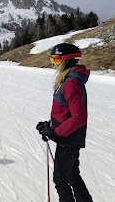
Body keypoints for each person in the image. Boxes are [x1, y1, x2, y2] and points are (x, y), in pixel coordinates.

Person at [36, 43, 93, 202]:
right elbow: (64, 112)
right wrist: (50, 125)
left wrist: (55, 132)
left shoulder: (71, 83)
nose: (54, 64)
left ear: (66, 60)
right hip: (69, 137)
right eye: (52, 60)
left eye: (56, 60)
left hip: (69, 139)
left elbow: (78, 117)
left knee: (60, 179)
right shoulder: (69, 80)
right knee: (72, 176)